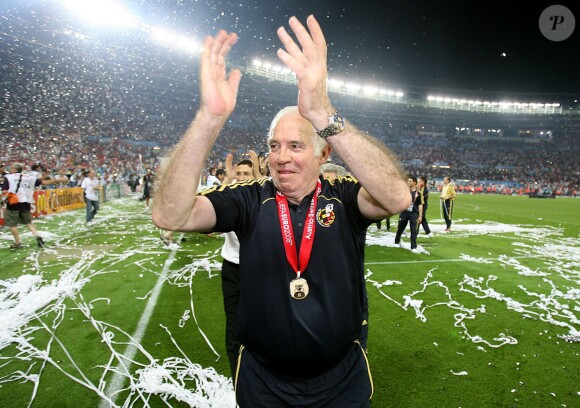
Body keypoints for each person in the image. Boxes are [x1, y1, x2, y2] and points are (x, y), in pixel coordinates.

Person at [152, 15, 410, 407]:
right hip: (263, 382)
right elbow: (170, 215)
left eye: (295, 146)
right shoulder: (250, 198)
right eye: (274, 146)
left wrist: (322, 111)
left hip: (341, 379)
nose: (281, 158)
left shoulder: (343, 196)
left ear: (324, 153)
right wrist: (210, 119)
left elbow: (396, 197)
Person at [219, 154, 259, 378]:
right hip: (234, 269)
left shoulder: (264, 199)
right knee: (234, 328)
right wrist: (227, 179)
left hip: (262, 271)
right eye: (239, 174)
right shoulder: (230, 198)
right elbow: (209, 224)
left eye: (247, 174)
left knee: (265, 325)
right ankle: (239, 380)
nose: (242, 177)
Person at [1, 162, 46, 249]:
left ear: (15, 169)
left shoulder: (9, 177)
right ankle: (37, 236)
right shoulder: (30, 177)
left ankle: (17, 243)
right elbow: (40, 183)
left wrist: (2, 200)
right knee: (28, 222)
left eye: (11, 168)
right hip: (26, 202)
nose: (10, 169)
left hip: (13, 203)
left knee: (12, 224)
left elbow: (4, 191)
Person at [394, 176, 423, 252]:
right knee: (400, 228)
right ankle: (397, 241)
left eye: (410, 181)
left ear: (414, 182)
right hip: (404, 212)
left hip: (414, 213)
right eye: (408, 181)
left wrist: (420, 215)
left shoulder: (418, 193)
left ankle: (413, 247)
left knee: (413, 230)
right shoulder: (405, 191)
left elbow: (420, 204)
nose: (408, 182)